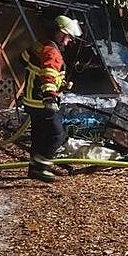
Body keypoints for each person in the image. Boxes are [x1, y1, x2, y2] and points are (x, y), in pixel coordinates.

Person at [20, 15, 82, 182]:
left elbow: (24, 59)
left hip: (31, 99)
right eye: (68, 38)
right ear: (60, 34)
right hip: (42, 101)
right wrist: (50, 97)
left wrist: (60, 84)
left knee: (39, 135)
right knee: (57, 135)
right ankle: (42, 167)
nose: (68, 42)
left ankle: (33, 169)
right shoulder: (52, 52)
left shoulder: (40, 45)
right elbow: (48, 74)